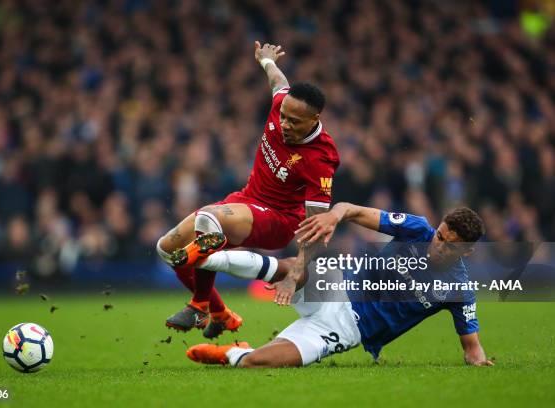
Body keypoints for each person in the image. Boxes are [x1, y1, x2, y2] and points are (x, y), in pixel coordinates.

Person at [155, 41, 340, 339]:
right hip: (246, 200)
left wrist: (296, 273)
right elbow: (278, 81)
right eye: (282, 117)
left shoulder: (321, 158)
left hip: (278, 219)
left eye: (294, 122)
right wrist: (267, 60)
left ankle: (199, 304)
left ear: (314, 120)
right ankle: (221, 314)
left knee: (208, 220)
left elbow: (315, 224)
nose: (284, 125)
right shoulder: (283, 101)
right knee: (167, 249)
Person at [183, 203, 494, 367]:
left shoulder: (460, 290)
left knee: (260, 363)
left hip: (350, 329)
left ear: (466, 251)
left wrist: (479, 361)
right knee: (295, 269)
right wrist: (334, 215)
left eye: (449, 246)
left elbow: (472, 348)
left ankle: (233, 354)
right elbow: (351, 209)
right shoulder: (417, 229)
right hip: (339, 285)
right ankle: (207, 258)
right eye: (440, 235)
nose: (437, 245)